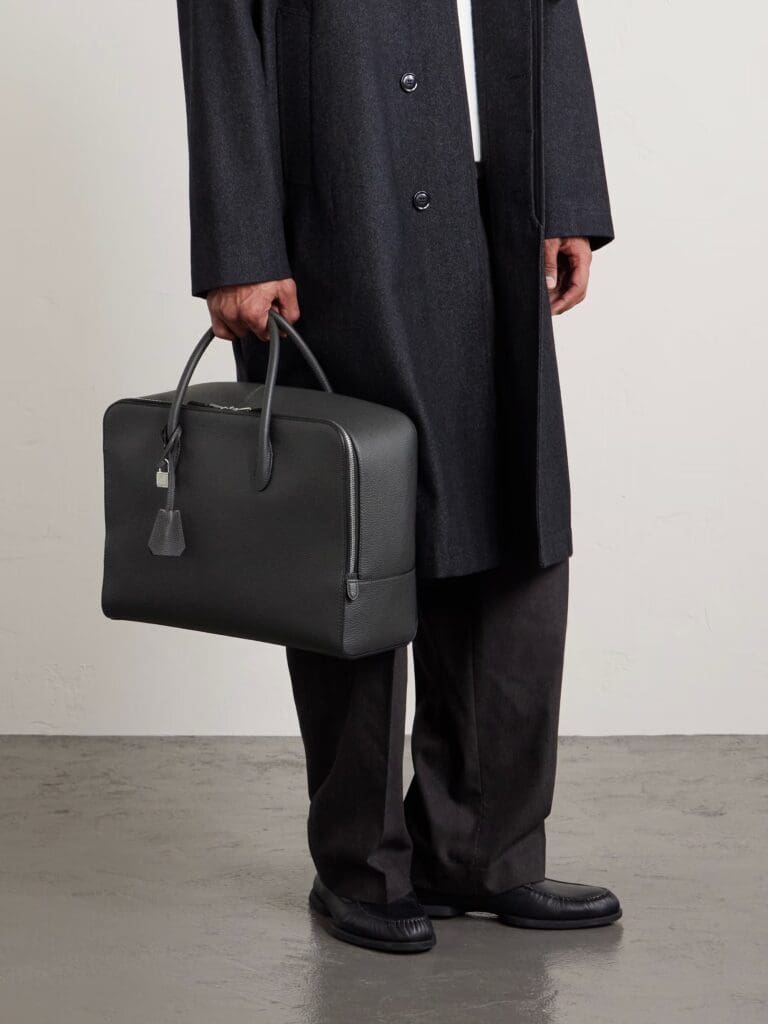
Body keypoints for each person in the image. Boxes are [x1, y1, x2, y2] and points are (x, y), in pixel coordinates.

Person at [176, 0, 621, 953]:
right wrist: (240, 245)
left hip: (495, 207)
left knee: (512, 517)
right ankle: (359, 864)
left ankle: (484, 852)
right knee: (357, 536)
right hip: (340, 214)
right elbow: (219, 27)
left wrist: (567, 189)